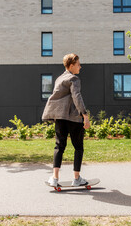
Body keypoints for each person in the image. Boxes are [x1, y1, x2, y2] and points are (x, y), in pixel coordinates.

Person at [42, 53, 90, 187]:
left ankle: (54, 178)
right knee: (78, 147)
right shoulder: (74, 79)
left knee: (59, 146)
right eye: (78, 64)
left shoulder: (59, 79)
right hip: (74, 118)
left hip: (60, 117)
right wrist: (85, 115)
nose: (80, 67)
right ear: (71, 65)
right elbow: (77, 97)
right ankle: (76, 178)